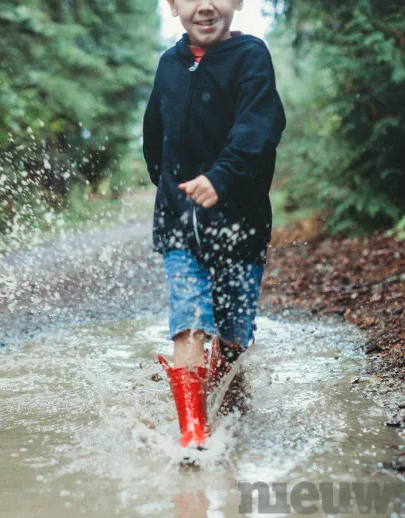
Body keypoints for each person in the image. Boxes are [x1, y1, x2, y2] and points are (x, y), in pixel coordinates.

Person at [143, 0, 286, 448]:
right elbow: (155, 134)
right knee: (189, 321)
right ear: (171, 6)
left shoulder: (251, 58)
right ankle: (194, 436)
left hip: (239, 226)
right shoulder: (170, 64)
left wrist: (220, 178)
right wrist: (168, 187)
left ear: (239, 2)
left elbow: (259, 129)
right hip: (180, 226)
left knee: (234, 334)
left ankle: (233, 414)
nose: (205, 6)